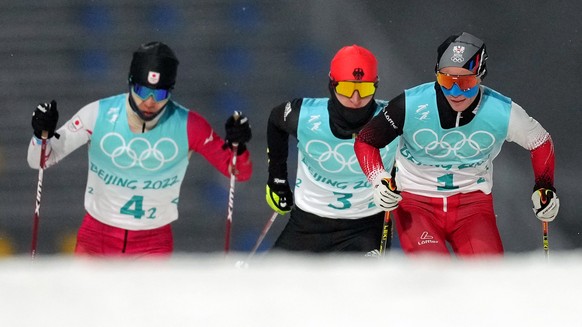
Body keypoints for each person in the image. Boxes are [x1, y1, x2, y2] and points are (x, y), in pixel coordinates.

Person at [27, 41, 253, 257]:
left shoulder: (189, 125)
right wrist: (41, 135)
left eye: (160, 94)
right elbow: (39, 160)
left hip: (152, 244)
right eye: (143, 91)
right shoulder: (97, 114)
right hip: (97, 238)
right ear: (130, 82)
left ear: (170, 91)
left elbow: (238, 173)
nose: (150, 102)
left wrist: (238, 146)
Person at [354, 32, 559, 257]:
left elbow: (540, 142)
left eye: (466, 83)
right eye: (446, 81)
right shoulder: (411, 104)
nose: (455, 92)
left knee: (489, 279)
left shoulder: (501, 111)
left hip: (472, 206)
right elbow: (366, 140)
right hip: (416, 203)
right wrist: (378, 179)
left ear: (481, 75)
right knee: (432, 274)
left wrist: (544, 186)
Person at [265, 45, 398, 255]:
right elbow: (276, 120)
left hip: (366, 226)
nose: (355, 99)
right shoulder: (305, 116)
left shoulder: (392, 117)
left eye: (364, 89)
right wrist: (277, 179)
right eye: (346, 89)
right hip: (308, 223)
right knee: (269, 284)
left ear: (376, 85)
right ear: (332, 84)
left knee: (363, 286)